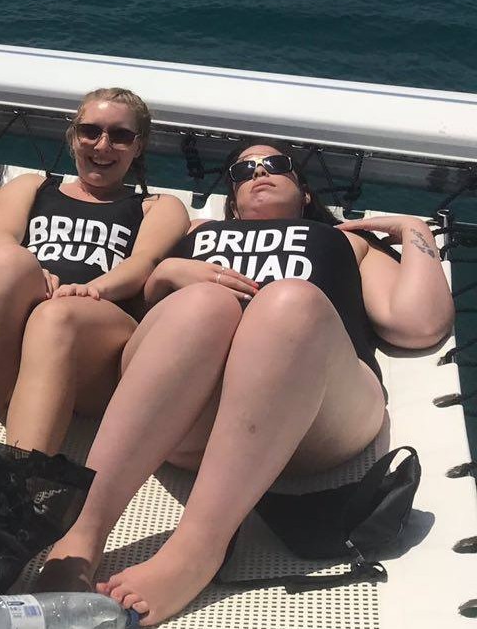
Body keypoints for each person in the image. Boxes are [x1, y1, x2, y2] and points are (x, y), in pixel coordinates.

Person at [37, 141, 453, 626]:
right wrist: (170, 272)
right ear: (231, 197)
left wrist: (415, 229)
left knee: (288, 303)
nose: (260, 173)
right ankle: (83, 534)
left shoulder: (345, 240)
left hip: (315, 414)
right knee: (204, 305)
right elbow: (150, 322)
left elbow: (418, 323)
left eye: (276, 165)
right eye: (243, 170)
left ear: (302, 191)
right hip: (192, 416)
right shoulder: (197, 233)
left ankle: (197, 548)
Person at [0, 88, 188, 453]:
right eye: (90, 131)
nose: (103, 145)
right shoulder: (31, 186)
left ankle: (19, 482)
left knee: (57, 316)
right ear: (73, 135)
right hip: (18, 335)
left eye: (121, 136)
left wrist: (89, 291)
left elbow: (144, 264)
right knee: (6, 261)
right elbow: (0, 240)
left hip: (97, 345)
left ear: (138, 146)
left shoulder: (156, 207)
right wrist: (33, 269)